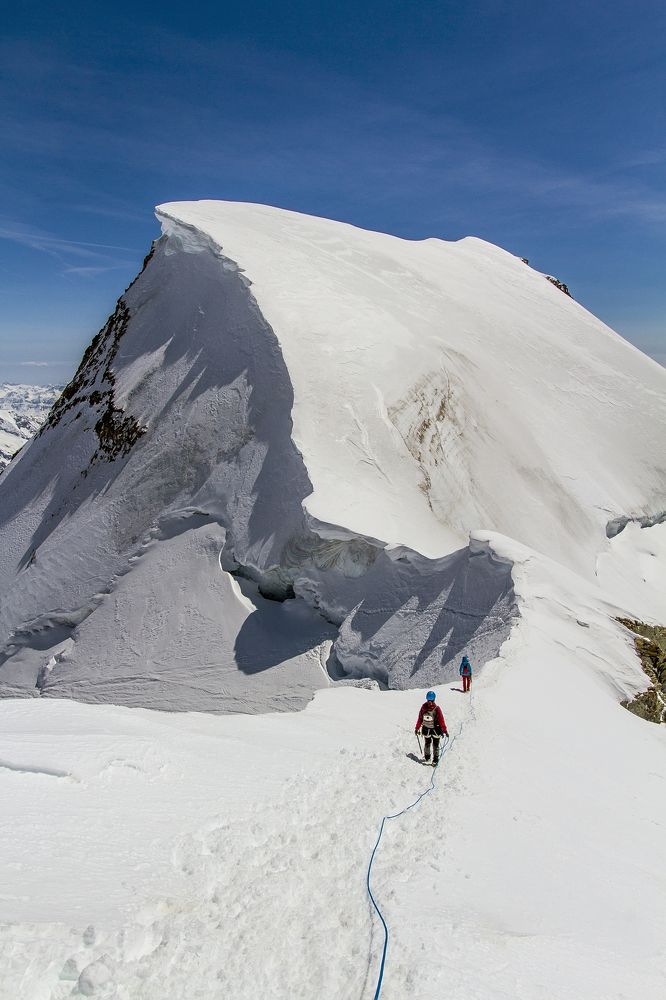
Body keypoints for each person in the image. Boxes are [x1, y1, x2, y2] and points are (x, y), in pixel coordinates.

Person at [415, 691, 449, 766]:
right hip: (436, 730)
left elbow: (420, 719)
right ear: (434, 699)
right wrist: (445, 731)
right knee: (435, 744)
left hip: (426, 729)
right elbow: (441, 720)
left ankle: (427, 757)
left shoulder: (423, 708)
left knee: (427, 743)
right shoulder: (437, 709)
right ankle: (435, 760)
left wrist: (417, 728)